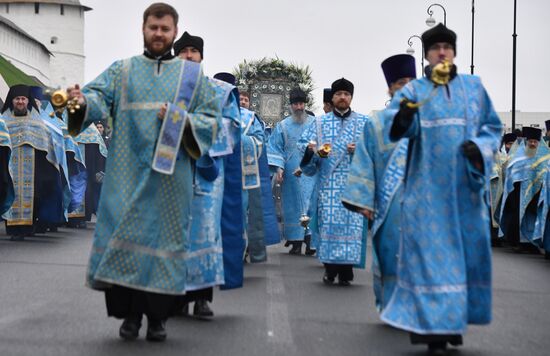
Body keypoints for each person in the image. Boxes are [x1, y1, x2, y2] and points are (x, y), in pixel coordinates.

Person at [68, 3, 227, 342]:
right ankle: (131, 316)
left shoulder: (193, 78)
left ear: (173, 31)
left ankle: (158, 320)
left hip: (170, 181)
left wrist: (181, 121)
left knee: (164, 248)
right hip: (125, 178)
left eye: (165, 29)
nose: (159, 34)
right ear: (143, 29)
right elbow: (95, 99)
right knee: (127, 245)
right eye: (153, 27)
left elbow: (211, 122)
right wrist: (78, 102)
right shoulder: (122, 70)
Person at [383, 24, 502, 354]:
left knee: (462, 262)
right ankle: (433, 331)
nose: (441, 52)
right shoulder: (415, 91)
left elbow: (492, 128)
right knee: (430, 264)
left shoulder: (473, 89)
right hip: (427, 197)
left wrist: (479, 148)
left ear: (454, 52)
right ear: (427, 55)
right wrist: (404, 118)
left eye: (446, 47)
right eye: (434, 48)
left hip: (465, 193)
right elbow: (394, 130)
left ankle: (452, 324)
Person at [342, 54, 416, 312]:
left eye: (411, 80)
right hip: (389, 203)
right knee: (390, 253)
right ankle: (392, 304)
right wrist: (364, 201)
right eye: (400, 82)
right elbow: (365, 161)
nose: (406, 86)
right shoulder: (376, 122)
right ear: (391, 87)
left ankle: (421, 308)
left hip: (424, 199)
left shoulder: (430, 116)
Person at [299, 78, 368, 286]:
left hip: (353, 184)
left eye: (346, 94)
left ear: (351, 97)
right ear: (333, 97)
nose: (342, 97)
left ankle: (347, 272)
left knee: (351, 227)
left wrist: (360, 151)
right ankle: (330, 269)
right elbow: (305, 145)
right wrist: (314, 151)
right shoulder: (319, 123)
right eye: (339, 94)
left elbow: (374, 151)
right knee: (329, 226)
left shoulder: (364, 122)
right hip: (328, 185)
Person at [1, 85, 60, 241]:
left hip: (33, 168)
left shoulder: (37, 122)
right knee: (10, 192)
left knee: (34, 196)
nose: (20, 102)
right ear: (11, 101)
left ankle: (29, 227)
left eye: (23, 99)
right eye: (17, 99)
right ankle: (13, 228)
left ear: (28, 101)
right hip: (9, 165)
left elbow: (47, 145)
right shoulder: (3, 121)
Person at [267, 88, 316, 255]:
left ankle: (310, 242)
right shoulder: (283, 125)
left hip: (310, 171)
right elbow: (275, 148)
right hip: (290, 172)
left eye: (301, 103)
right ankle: (295, 242)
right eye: (296, 104)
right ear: (291, 106)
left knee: (309, 205)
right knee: (293, 207)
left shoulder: (314, 124)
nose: (299, 107)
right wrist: (278, 168)